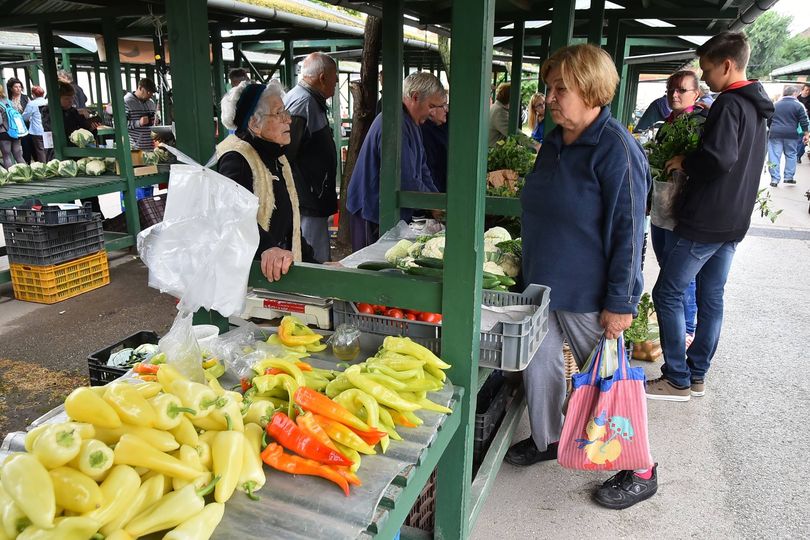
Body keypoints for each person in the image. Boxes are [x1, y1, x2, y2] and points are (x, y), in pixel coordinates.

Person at [504, 44, 654, 510]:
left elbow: (629, 231)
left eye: (560, 89)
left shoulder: (616, 149)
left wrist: (621, 302)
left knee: (612, 381)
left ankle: (642, 468)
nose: (549, 97)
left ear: (591, 91)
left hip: (589, 292)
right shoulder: (554, 140)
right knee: (539, 366)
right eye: (549, 87)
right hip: (541, 285)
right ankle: (549, 439)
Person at [649, 31, 774, 402]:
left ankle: (676, 377)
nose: (704, 77)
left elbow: (720, 158)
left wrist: (685, 161)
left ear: (727, 65)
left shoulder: (729, 104)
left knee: (667, 292)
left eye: (706, 69)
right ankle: (697, 374)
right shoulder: (757, 106)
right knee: (711, 296)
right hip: (735, 220)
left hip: (708, 220)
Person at [216, 80, 318, 282]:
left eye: (286, 112)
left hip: (277, 273)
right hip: (249, 278)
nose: (288, 120)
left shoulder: (276, 157)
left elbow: (290, 226)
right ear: (255, 123)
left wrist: (316, 265)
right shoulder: (237, 158)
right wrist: (266, 247)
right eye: (279, 113)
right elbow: (231, 216)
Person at [346, 72, 445, 250]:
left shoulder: (412, 122)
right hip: (370, 209)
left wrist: (436, 200)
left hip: (382, 209)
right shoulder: (395, 124)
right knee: (370, 262)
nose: (433, 113)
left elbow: (423, 170)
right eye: (431, 106)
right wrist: (433, 205)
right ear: (415, 97)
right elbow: (407, 179)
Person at [649, 70, 709, 347]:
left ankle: (687, 328)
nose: (674, 94)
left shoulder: (701, 124)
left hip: (683, 210)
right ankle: (675, 326)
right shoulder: (668, 123)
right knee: (666, 265)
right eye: (670, 89)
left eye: (681, 90)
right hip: (662, 205)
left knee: (680, 274)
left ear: (696, 94)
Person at [283, 52, 339, 263]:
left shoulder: (308, 100)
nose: (336, 83)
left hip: (312, 194)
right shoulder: (303, 103)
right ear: (322, 77)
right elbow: (285, 154)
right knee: (312, 256)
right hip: (307, 196)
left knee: (314, 250)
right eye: (334, 78)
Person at [767, 86, 809, 186]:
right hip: (791, 134)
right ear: (794, 93)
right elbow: (804, 121)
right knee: (791, 155)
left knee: (773, 156)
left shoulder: (775, 104)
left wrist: (772, 128)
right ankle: (788, 177)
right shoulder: (799, 105)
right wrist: (806, 134)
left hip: (775, 133)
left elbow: (768, 120)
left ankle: (774, 179)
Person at [420, 100, 448, 192]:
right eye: (443, 106)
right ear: (431, 110)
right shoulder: (426, 133)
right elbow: (429, 169)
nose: (446, 110)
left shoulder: (443, 127)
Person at [124, 78, 158, 150]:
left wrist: (156, 121)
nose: (150, 95)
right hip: (135, 148)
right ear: (140, 88)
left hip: (151, 148)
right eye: (148, 92)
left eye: (152, 93)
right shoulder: (126, 102)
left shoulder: (151, 103)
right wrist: (139, 122)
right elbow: (120, 125)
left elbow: (155, 121)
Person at [0, 84, 26, 168]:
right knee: (18, 156)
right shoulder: (9, 102)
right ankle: (26, 172)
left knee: (6, 156)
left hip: (3, 132)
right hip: (15, 131)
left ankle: (11, 174)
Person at [22, 86, 47, 163]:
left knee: (40, 150)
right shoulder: (47, 101)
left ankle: (44, 165)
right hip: (47, 129)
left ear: (33, 94)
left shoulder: (32, 104)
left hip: (37, 131)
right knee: (49, 149)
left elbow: (25, 117)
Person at [488, 82, 511, 147]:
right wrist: (535, 145)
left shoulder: (495, 107)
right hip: (493, 151)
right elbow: (513, 133)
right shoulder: (500, 112)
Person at [798, 83, 810, 163]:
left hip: (808, 122)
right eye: (806, 90)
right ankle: (795, 154)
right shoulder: (796, 99)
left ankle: (798, 155)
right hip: (797, 122)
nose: (807, 92)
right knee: (798, 140)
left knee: (805, 139)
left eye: (809, 90)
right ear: (802, 90)